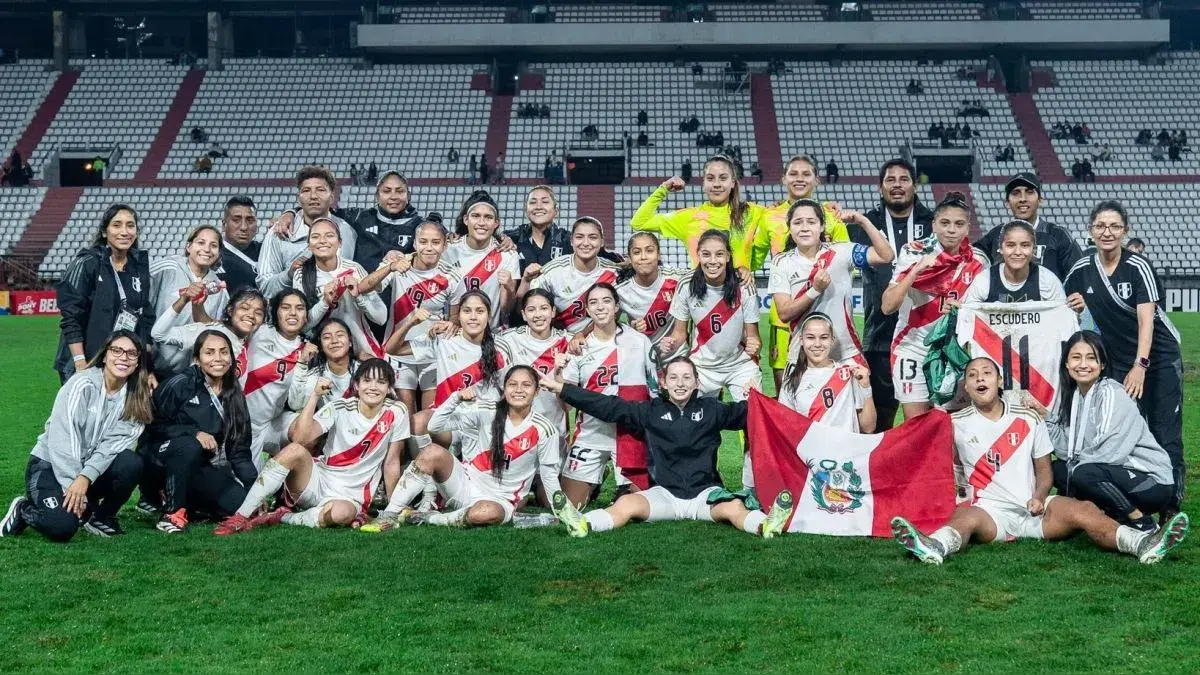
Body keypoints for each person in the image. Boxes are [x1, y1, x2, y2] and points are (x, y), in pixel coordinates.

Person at [890, 356, 1188, 565]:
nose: (980, 378)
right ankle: (934, 546)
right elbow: (938, 464)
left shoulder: (1029, 419)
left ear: (999, 381)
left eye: (987, 373)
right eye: (972, 375)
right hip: (991, 513)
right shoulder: (955, 423)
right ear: (965, 387)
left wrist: (1039, 496)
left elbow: (1045, 471)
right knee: (965, 519)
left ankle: (1144, 544)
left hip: (1034, 510)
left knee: (1083, 510)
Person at [541, 357, 793, 539]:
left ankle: (766, 525)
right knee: (626, 504)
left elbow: (756, 414)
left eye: (686, 377)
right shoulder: (650, 411)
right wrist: (562, 389)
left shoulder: (712, 409)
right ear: (663, 382)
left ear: (697, 382)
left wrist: (757, 398)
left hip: (704, 495)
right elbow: (607, 405)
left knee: (735, 509)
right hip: (665, 495)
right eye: (674, 377)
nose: (680, 383)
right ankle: (583, 523)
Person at [1063, 201, 1184, 513]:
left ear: (1125, 231)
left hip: (1156, 360)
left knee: (1163, 427)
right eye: (1100, 226)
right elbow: (1060, 305)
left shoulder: (1138, 266)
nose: (1107, 232)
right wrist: (1072, 304)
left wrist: (1140, 366)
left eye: (1114, 227)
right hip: (1117, 361)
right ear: (1091, 231)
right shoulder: (1082, 269)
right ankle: (1125, 488)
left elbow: (1148, 321)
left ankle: (1171, 502)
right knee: (1121, 427)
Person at [214, 358, 409, 534]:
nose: (373, 387)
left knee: (341, 515)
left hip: (352, 496)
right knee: (294, 450)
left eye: (381, 382)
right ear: (357, 385)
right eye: (367, 381)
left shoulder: (397, 412)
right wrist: (314, 396)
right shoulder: (340, 407)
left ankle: (283, 516)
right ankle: (239, 517)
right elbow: (300, 437)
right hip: (317, 480)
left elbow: (391, 462)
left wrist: (391, 510)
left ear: (389, 387)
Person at [362, 367, 561, 530]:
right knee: (431, 452)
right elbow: (434, 426)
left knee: (482, 513)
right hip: (464, 485)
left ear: (536, 391)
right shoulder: (484, 410)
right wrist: (455, 398)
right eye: (512, 384)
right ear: (504, 388)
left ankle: (430, 518)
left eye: (526, 385)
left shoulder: (545, 429)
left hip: (501, 500)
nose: (519, 390)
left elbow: (550, 477)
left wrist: (564, 512)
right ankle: (389, 515)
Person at [1, 331, 151, 541]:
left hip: (84, 473)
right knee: (61, 527)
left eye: (131, 353)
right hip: (50, 466)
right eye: (117, 350)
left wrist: (84, 477)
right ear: (105, 355)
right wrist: (73, 483)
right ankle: (23, 510)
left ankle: (101, 517)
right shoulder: (82, 384)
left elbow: (112, 446)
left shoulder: (136, 397)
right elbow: (63, 440)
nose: (123, 358)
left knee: (131, 463)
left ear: (138, 362)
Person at [1032, 332, 1179, 533]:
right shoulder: (1075, 398)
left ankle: (1142, 522)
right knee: (1058, 470)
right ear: (1066, 364)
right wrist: (1046, 417)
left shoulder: (1112, 393)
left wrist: (1075, 469)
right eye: (1076, 357)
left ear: (1102, 365)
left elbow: (1111, 453)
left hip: (1152, 482)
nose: (1083, 364)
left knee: (1082, 472)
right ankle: (1097, 517)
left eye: (1091, 358)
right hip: (1113, 473)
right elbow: (1067, 450)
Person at [881, 192, 988, 421]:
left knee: (955, 426)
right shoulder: (914, 252)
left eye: (959, 224)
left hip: (954, 353)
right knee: (917, 427)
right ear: (934, 224)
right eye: (945, 223)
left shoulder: (978, 261)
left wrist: (964, 310)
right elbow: (887, 306)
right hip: (913, 348)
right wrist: (915, 271)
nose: (951, 230)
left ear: (968, 228)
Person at [848, 159, 934, 430]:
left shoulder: (934, 222)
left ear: (914, 185)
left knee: (922, 422)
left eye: (904, 179)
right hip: (879, 337)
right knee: (877, 422)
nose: (897, 185)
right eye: (890, 180)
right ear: (880, 188)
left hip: (924, 339)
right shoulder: (864, 225)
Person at [553, 283, 657, 506]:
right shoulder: (578, 348)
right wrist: (558, 373)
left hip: (629, 434)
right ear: (588, 311)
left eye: (606, 301)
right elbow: (568, 406)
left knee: (637, 506)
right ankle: (597, 479)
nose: (600, 307)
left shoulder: (639, 341)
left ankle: (624, 486)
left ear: (617, 306)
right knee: (571, 505)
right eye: (593, 302)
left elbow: (654, 393)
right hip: (590, 431)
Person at [143, 331, 257, 533]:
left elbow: (239, 450)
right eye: (210, 352)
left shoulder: (234, 394)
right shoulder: (179, 384)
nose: (218, 359)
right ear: (197, 359)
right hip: (158, 459)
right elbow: (153, 427)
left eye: (224, 352)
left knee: (239, 505)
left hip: (199, 465)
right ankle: (170, 512)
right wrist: (192, 432)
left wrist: (254, 493)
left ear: (231, 358)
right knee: (189, 445)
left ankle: (191, 506)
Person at [386, 291, 511, 470]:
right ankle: (430, 484)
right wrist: (411, 322)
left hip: (482, 421)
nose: (473, 317)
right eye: (467, 311)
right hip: (448, 419)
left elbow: (509, 390)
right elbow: (392, 349)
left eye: (480, 311)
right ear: (458, 315)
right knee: (417, 422)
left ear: (489, 315)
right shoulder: (444, 339)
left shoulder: (501, 347)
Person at [769, 198, 893, 373]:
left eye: (811, 222)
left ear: (821, 227)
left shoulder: (842, 251)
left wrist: (863, 221)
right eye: (797, 222)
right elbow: (784, 313)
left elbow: (886, 256)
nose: (804, 227)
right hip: (802, 356)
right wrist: (815, 290)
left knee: (863, 402)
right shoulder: (781, 262)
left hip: (846, 354)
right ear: (790, 227)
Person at [760, 156, 853, 389]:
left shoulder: (831, 217)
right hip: (784, 321)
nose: (799, 179)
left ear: (816, 180)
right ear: (783, 179)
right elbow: (753, 256)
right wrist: (743, 268)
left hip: (827, 319)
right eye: (793, 174)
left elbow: (846, 264)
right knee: (786, 393)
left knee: (832, 388)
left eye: (806, 174)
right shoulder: (767, 216)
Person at [367, 215, 464, 412]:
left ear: (445, 246)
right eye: (423, 241)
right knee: (404, 415)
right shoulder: (400, 265)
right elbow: (370, 286)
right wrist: (389, 267)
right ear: (415, 242)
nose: (429, 247)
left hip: (431, 352)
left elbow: (455, 317)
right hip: (398, 352)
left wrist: (451, 324)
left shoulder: (452, 276)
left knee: (429, 416)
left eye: (436, 242)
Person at [55, 204, 155, 384]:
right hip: (86, 359)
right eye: (117, 225)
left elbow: (145, 318)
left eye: (130, 225)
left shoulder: (139, 266)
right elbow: (71, 317)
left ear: (137, 231)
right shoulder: (88, 262)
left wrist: (147, 369)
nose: (124, 231)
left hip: (121, 362)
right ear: (104, 231)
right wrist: (80, 363)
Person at [631, 155, 768, 284]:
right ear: (703, 183)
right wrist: (663, 189)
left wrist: (747, 267)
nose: (716, 184)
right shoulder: (688, 217)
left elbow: (758, 253)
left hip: (740, 298)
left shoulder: (752, 212)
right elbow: (639, 222)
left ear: (733, 183)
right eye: (710, 178)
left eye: (723, 178)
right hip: (700, 298)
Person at [292, 217, 387, 359]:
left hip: (363, 352)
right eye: (315, 237)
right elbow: (303, 326)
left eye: (329, 236)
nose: (322, 241)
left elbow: (381, 317)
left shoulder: (354, 269)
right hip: (324, 357)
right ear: (309, 245)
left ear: (340, 243)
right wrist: (324, 303)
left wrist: (359, 296)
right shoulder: (301, 275)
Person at [258, 166, 357, 298]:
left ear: (332, 196)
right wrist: (289, 275)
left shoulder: (347, 231)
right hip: (293, 314)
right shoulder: (278, 232)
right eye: (306, 190)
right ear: (299, 198)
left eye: (320, 190)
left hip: (336, 314)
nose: (313, 196)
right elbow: (265, 288)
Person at [240, 289, 309, 468]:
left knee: (308, 429)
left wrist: (302, 364)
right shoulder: (258, 331)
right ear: (275, 312)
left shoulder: (308, 352)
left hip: (268, 425)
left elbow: (296, 403)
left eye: (300, 308)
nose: (293, 313)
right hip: (235, 415)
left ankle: (287, 489)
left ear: (307, 317)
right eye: (286, 307)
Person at [149, 225, 230, 376]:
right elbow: (141, 310)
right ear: (188, 246)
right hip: (153, 368)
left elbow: (215, 333)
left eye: (213, 245)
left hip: (192, 374)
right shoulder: (167, 268)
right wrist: (145, 368)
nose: (207, 249)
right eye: (201, 243)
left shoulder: (220, 290)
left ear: (218, 253)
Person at [521, 217, 621, 335]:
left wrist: (582, 335)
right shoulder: (553, 270)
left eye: (593, 237)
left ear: (602, 241)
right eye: (579, 237)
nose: (586, 243)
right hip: (559, 340)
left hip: (599, 338)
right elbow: (533, 308)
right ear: (571, 240)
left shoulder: (613, 272)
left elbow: (617, 313)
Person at [777, 314, 876, 433]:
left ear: (832, 340)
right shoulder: (791, 382)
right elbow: (785, 428)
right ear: (801, 340)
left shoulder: (848, 374)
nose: (817, 344)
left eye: (824, 337)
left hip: (845, 450)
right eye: (810, 337)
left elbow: (869, 427)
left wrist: (866, 387)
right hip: (810, 451)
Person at [974, 174, 1081, 281]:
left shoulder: (1058, 235)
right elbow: (969, 260)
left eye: (1029, 192)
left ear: (1040, 200)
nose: (1023, 199)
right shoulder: (995, 235)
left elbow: (1079, 273)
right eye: (1016, 193)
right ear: (1007, 203)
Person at [499, 290, 571, 448]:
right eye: (531, 310)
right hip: (516, 430)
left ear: (553, 312)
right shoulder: (509, 339)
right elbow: (480, 340)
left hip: (554, 428)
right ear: (523, 314)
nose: (538, 315)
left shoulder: (567, 341)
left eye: (544, 308)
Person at [150, 286, 266, 381]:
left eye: (258, 313)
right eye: (244, 308)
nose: (251, 315)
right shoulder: (211, 332)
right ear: (230, 311)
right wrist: (183, 300)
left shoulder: (248, 342)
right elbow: (158, 334)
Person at [441, 191, 520, 329]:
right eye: (476, 216)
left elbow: (506, 309)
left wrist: (509, 287)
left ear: (496, 223)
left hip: (491, 334)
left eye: (488, 217)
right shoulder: (447, 250)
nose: (482, 222)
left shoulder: (508, 254)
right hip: (453, 334)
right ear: (466, 219)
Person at [616, 232, 689, 361]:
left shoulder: (677, 278)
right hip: (641, 358)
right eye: (637, 252)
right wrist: (631, 326)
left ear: (658, 254)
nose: (643, 257)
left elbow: (705, 274)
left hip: (677, 357)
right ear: (629, 258)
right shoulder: (620, 291)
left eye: (649, 251)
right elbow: (612, 325)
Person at [963, 220, 1066, 304]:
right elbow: (968, 317)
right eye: (1010, 245)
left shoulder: (1048, 281)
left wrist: (1075, 307)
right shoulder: (984, 280)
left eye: (1025, 245)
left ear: (1034, 249)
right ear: (1000, 249)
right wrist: (956, 309)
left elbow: (1063, 317)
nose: (1017, 252)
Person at [503, 186, 574, 275]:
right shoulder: (512, 238)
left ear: (556, 211)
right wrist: (502, 239)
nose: (538, 206)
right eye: (533, 202)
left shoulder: (569, 240)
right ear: (526, 210)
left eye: (545, 202)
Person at [215, 196, 261, 296]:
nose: (244, 227)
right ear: (224, 225)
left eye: (250, 220)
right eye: (236, 220)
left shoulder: (267, 251)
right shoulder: (212, 256)